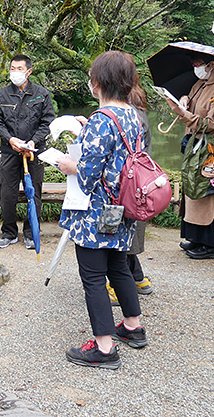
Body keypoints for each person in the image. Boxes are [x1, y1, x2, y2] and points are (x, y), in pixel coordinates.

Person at [56, 51, 147, 370]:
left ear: (97, 83)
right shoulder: (133, 115)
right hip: (121, 207)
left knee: (93, 276)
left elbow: (88, 173)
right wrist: (87, 130)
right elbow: (117, 156)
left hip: (97, 211)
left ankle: (104, 348)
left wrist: (69, 164)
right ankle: (133, 327)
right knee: (119, 266)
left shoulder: (101, 119)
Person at [165, 53, 214, 260]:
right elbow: (191, 105)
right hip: (194, 146)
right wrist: (184, 100)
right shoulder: (199, 83)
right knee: (192, 189)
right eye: (193, 65)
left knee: (208, 191)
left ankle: (210, 245)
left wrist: (182, 113)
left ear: (212, 64)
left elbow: (209, 124)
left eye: (198, 65)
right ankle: (195, 238)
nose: (195, 68)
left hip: (211, 150)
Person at [0, 54, 55, 249]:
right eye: (12, 68)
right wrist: (10, 139)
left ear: (29, 71)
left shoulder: (41, 94)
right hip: (10, 151)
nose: (15, 72)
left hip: (34, 152)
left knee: (33, 192)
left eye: (19, 69)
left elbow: (47, 122)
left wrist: (33, 142)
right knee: (7, 193)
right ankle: (9, 233)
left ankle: (30, 232)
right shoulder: (1, 95)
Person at [108, 77, 154, 305]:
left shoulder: (125, 114)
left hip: (127, 185)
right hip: (140, 182)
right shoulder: (137, 108)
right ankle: (138, 278)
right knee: (130, 231)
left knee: (120, 235)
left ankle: (118, 287)